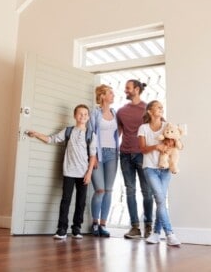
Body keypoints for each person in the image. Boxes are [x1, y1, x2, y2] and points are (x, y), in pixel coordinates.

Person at [26, 104, 97, 240]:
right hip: (69, 172)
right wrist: (36, 134)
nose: (83, 116)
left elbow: (93, 155)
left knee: (81, 202)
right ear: (75, 116)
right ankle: (62, 229)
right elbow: (51, 139)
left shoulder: (91, 135)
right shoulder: (68, 131)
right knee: (66, 200)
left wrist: (89, 173)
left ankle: (76, 229)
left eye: (85, 114)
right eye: (80, 114)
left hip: (83, 173)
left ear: (88, 117)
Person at [138, 100, 181, 246]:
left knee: (160, 200)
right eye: (158, 107)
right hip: (150, 168)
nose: (161, 109)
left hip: (165, 169)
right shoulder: (143, 128)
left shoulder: (166, 126)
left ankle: (156, 233)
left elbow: (177, 141)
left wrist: (172, 144)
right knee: (160, 199)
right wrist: (157, 146)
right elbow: (142, 149)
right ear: (150, 111)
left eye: (162, 107)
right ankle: (170, 233)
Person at [117, 79, 153, 239]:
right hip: (125, 154)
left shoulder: (147, 109)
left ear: (137, 90)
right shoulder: (121, 111)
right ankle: (135, 227)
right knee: (130, 190)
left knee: (147, 191)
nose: (125, 91)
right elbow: (117, 133)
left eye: (128, 88)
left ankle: (149, 226)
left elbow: (158, 128)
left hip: (142, 154)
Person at [89, 84, 120, 238]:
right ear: (102, 96)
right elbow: (91, 135)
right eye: (110, 93)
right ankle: (94, 223)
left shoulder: (115, 113)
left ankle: (103, 225)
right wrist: (92, 157)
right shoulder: (94, 113)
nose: (113, 95)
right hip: (98, 155)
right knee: (99, 190)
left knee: (108, 191)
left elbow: (117, 132)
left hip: (113, 154)